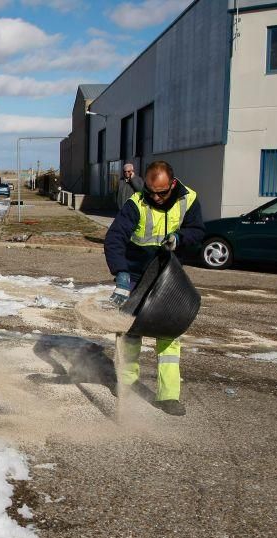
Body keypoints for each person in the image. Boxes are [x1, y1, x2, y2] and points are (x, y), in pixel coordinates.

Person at [103, 160, 205, 416]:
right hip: (137, 273)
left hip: (167, 274)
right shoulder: (137, 203)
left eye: (161, 192)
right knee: (129, 331)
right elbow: (115, 238)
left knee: (170, 333)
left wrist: (180, 239)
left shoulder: (189, 199)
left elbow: (197, 231)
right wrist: (121, 274)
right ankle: (125, 382)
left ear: (172, 183)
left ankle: (168, 396)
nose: (156, 197)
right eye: (151, 191)